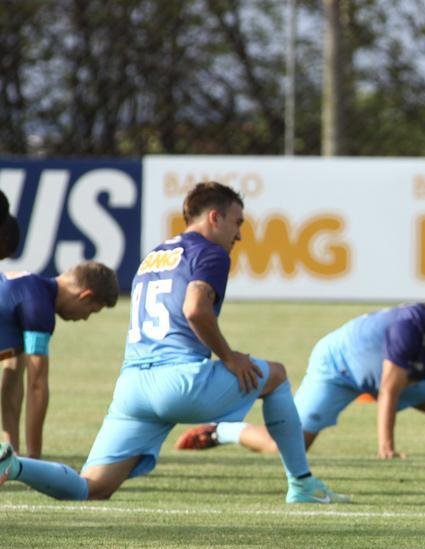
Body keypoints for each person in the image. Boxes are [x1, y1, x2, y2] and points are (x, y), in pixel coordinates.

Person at [0, 182, 347, 503]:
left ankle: (13, 466)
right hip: (181, 383)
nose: (239, 235)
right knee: (277, 376)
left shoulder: (153, 256)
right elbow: (195, 308)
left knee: (92, 487)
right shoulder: (211, 253)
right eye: (237, 222)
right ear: (214, 217)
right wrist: (228, 357)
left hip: (132, 389)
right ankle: (302, 484)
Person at [175, 295, 425, 460]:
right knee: (287, 446)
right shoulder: (409, 329)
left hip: (407, 377)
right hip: (339, 367)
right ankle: (223, 431)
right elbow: (388, 390)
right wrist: (386, 448)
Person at [0, 261, 120, 457]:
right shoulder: (38, 308)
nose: (85, 318)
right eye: (91, 311)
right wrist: (34, 461)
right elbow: (36, 385)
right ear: (85, 296)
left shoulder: (28, 290)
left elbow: (12, 376)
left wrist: (11, 453)